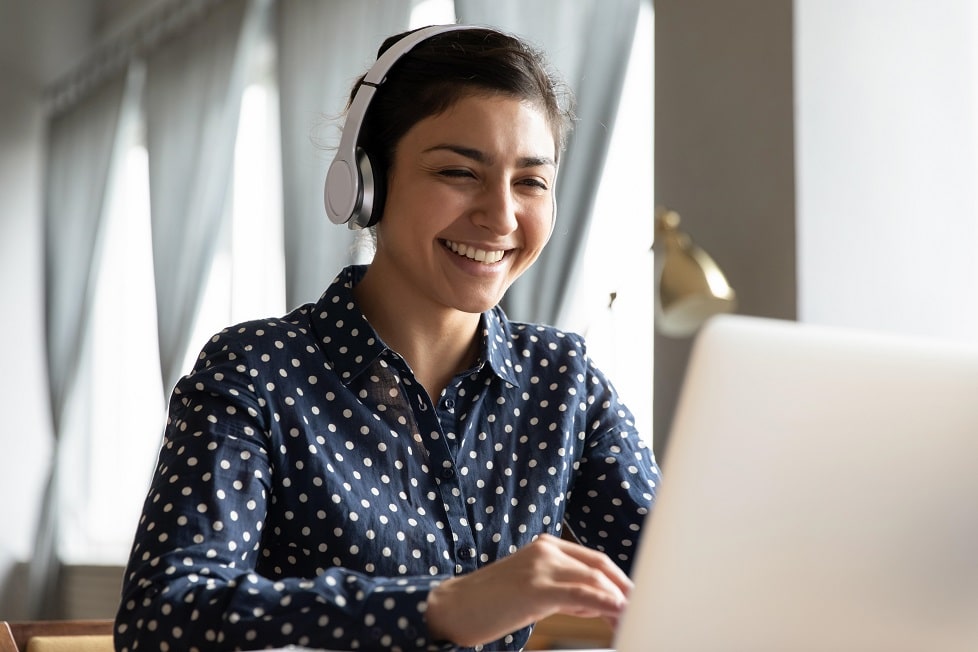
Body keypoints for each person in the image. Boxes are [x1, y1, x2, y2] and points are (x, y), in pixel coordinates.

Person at [115, 23, 660, 652]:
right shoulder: (256, 371)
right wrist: (443, 606)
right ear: (367, 183)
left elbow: (681, 573)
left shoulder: (564, 381)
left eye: (531, 181)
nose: (502, 215)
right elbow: (164, 617)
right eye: (459, 171)